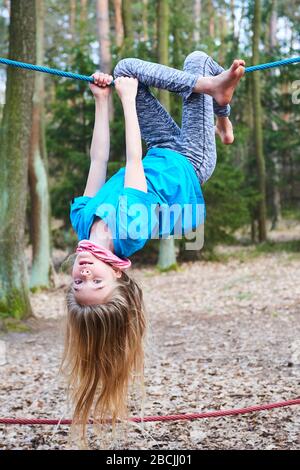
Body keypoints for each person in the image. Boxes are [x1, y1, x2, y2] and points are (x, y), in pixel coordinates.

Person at [61, 51, 245, 439]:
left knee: (127, 69)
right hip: (191, 162)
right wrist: (127, 103)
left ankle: (223, 111)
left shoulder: (83, 225)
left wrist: (102, 102)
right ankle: (217, 97)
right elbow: (131, 165)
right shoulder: (129, 232)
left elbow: (98, 160)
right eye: (98, 284)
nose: (86, 276)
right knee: (196, 61)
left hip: (162, 147)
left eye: (79, 285)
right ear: (116, 274)